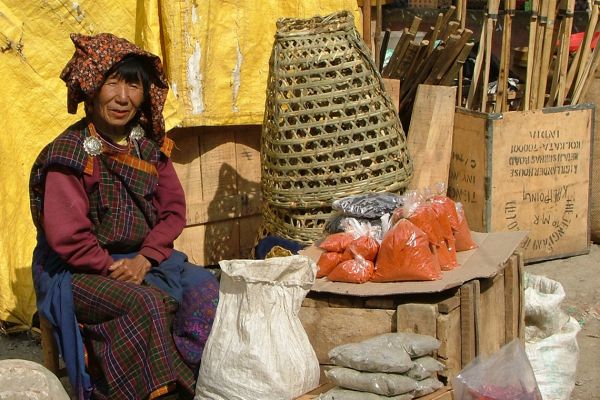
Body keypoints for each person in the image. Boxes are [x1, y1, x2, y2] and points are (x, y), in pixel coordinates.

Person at [29, 33, 219, 400]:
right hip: (77, 271)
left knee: (206, 289)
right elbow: (68, 237)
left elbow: (173, 211)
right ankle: (156, 390)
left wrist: (146, 259)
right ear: (91, 88)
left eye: (132, 84)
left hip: (143, 259)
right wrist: (116, 268)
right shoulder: (68, 155)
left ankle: (195, 378)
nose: (122, 97)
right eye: (111, 82)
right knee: (145, 302)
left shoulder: (148, 147)